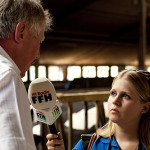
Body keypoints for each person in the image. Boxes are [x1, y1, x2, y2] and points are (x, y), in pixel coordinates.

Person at [46, 69, 150, 150]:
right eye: (113, 93)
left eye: (126, 96)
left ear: (145, 107)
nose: (115, 101)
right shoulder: (88, 145)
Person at [0, 0, 52, 149]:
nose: (38, 55)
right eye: (39, 41)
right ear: (21, 32)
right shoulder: (7, 76)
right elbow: (14, 145)